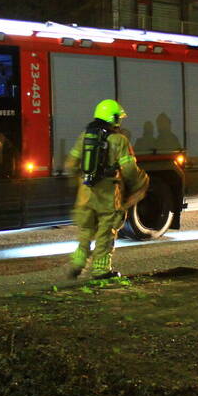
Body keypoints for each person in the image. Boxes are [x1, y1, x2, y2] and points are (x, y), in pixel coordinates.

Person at [64, 99, 149, 280]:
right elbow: (129, 170)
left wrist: (81, 183)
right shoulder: (119, 140)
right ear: (113, 118)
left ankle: (78, 262)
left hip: (85, 194)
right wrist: (141, 182)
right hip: (108, 195)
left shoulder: (84, 136)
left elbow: (70, 164)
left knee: (85, 231)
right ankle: (101, 270)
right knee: (106, 232)